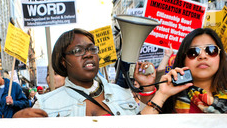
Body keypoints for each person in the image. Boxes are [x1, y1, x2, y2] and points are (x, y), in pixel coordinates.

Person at [13, 28, 167, 118]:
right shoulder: (46, 104)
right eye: (78, 50)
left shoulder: (123, 94)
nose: (88, 54)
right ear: (63, 61)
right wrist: (16, 121)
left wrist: (147, 89)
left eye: (92, 49)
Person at [147, 28, 227, 115]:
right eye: (193, 52)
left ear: (220, 57)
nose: (202, 56)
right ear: (183, 59)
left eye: (211, 50)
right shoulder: (169, 97)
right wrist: (162, 94)